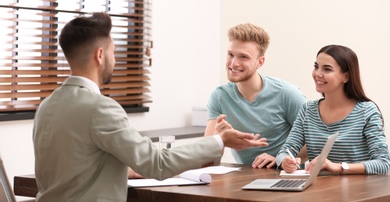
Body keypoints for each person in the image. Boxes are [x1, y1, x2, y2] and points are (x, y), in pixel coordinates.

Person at [32, 12, 269, 201]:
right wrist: (220, 141)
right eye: (114, 52)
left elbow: (73, 167)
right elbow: (157, 163)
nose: (115, 60)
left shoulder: (47, 106)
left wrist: (121, 169)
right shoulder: (100, 108)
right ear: (100, 55)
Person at [204, 23, 307, 168]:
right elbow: (206, 159)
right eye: (230, 54)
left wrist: (280, 159)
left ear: (260, 62)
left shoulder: (288, 94)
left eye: (243, 57)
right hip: (244, 179)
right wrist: (218, 139)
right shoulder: (220, 96)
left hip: (285, 178)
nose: (233, 63)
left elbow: (313, 140)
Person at [276, 44, 390, 175]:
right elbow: (284, 152)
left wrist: (340, 167)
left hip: (356, 192)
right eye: (316, 67)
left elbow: (383, 163)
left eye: (327, 69)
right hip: (318, 191)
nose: (318, 74)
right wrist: (285, 161)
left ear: (346, 76)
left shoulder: (366, 111)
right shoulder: (308, 110)